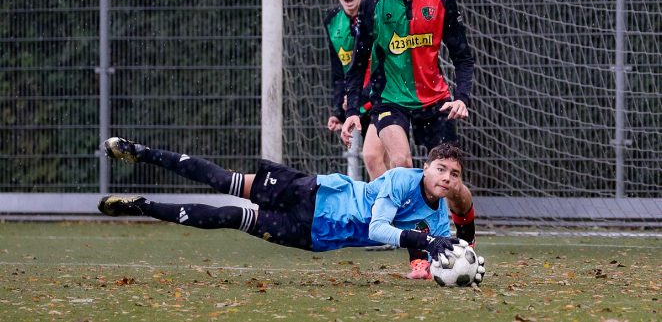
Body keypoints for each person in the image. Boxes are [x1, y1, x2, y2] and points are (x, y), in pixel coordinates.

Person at [97, 137, 481, 282]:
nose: (447, 178)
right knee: (225, 181)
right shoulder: (401, 179)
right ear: (426, 168)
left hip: (312, 235)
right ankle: (141, 152)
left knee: (231, 217)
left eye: (454, 174)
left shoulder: (437, 219)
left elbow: (425, 257)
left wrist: (441, 267)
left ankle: (141, 206)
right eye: (441, 169)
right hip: (314, 194)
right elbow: (379, 228)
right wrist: (424, 243)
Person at [341, 0, 476, 171]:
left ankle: (443, 198)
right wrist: (352, 110)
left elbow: (463, 58)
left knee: (447, 174)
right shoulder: (372, 2)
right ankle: (396, 197)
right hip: (389, 100)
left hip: (434, 99)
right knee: (400, 162)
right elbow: (358, 64)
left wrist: (462, 98)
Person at [324, 0, 389, 180]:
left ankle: (399, 202)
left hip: (386, 96)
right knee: (378, 162)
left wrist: (359, 98)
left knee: (381, 158)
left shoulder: (378, 15)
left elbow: (386, 66)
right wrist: (338, 111)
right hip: (358, 102)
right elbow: (339, 72)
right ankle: (390, 202)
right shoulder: (332, 21)